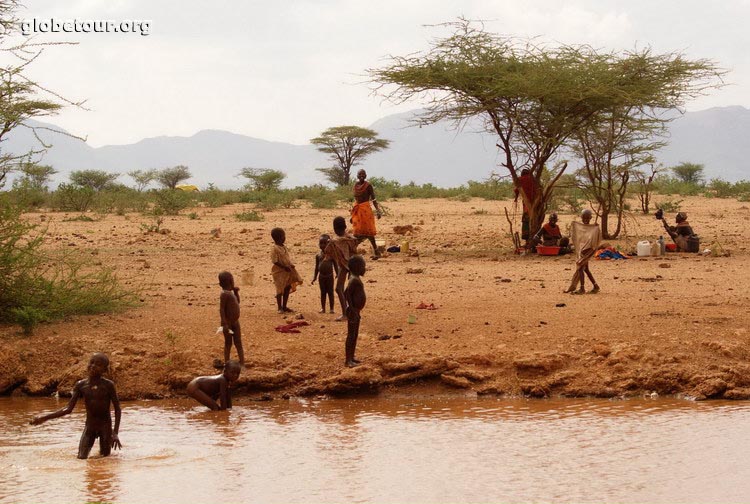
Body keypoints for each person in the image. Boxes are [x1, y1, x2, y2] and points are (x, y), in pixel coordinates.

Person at [30, 353, 122, 459]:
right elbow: (68, 409)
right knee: (81, 458)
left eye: (98, 364)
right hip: (90, 427)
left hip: (105, 428)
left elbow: (117, 409)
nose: (93, 366)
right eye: (91, 362)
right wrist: (44, 418)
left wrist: (115, 433)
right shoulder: (81, 385)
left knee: (105, 459)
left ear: (104, 370)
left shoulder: (109, 385)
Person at [325, 216, 359, 320]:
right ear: (345, 226)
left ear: (334, 228)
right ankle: (352, 311)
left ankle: (345, 314)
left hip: (344, 267)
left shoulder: (335, 241)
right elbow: (354, 251)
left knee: (339, 289)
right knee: (348, 290)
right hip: (352, 266)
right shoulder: (350, 239)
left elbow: (327, 253)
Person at [565, 209, 601, 294]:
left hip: (588, 251)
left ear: (590, 218)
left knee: (580, 268)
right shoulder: (582, 227)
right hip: (582, 251)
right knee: (586, 270)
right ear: (581, 218)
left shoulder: (593, 228)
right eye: (584, 218)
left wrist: (595, 227)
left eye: (587, 218)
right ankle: (596, 286)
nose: (585, 220)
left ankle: (582, 288)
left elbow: (595, 240)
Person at [270, 227, 303, 314]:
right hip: (279, 272)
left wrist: (290, 265)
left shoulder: (284, 247)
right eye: (283, 236)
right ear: (279, 238)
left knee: (287, 287)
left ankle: (284, 306)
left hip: (287, 271)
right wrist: (284, 267)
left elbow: (286, 258)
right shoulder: (275, 249)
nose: (285, 238)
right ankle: (279, 308)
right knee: (279, 289)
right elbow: (275, 261)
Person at [351, 169, 382, 258]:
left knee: (368, 231)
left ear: (366, 175)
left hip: (365, 210)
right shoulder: (355, 185)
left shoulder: (368, 186)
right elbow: (355, 199)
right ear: (357, 176)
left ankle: (376, 252)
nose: (361, 176)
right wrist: (353, 213)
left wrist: (378, 211)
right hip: (357, 210)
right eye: (359, 174)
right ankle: (353, 250)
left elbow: (373, 199)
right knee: (357, 231)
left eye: (363, 174)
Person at [344, 255, 367, 367]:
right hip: (353, 311)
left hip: (355, 311)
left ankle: (351, 357)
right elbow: (346, 293)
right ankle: (348, 360)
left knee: (355, 335)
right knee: (351, 335)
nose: (364, 269)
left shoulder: (355, 278)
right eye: (363, 267)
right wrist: (352, 309)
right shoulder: (354, 280)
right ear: (357, 267)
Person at [218, 271, 244, 366]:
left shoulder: (230, 293)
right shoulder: (224, 294)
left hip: (235, 322)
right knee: (228, 343)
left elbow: (238, 301)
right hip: (228, 323)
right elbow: (221, 309)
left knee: (238, 342)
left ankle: (242, 363)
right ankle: (227, 363)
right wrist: (224, 322)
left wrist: (236, 292)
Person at [311, 234, 337, 313]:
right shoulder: (318, 255)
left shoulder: (331, 255)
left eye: (324, 243)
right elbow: (316, 267)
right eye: (321, 243)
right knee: (323, 292)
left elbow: (335, 264)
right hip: (321, 277)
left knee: (330, 292)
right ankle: (323, 308)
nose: (322, 245)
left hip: (329, 276)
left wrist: (337, 273)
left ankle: (332, 308)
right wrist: (315, 277)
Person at [513, 168, 538, 246]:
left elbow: (517, 190)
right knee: (535, 219)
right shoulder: (533, 179)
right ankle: (535, 239)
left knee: (526, 221)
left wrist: (516, 198)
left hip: (527, 204)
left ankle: (528, 240)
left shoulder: (520, 179)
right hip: (536, 203)